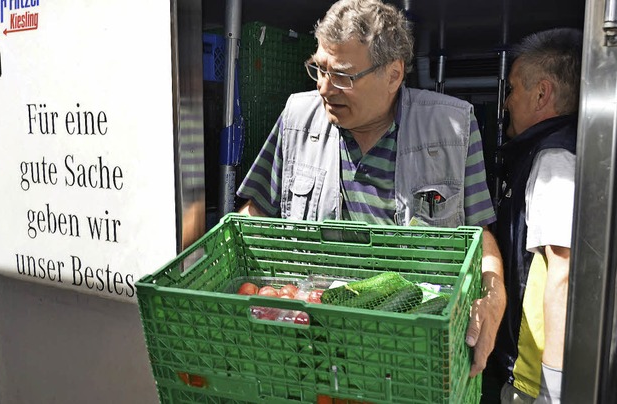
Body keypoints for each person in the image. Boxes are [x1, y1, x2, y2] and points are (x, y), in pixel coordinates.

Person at [235, 0, 506, 378]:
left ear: (393, 75)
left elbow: (479, 234)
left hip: (409, 348)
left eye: (343, 76)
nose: (325, 88)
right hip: (309, 345)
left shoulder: (453, 128)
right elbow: (255, 214)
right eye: (319, 69)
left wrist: (493, 299)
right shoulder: (297, 118)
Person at [483, 28, 583, 404]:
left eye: (512, 89)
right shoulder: (550, 150)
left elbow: (564, 270)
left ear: (542, 93)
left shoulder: (555, 159)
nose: (506, 102)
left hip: (536, 380)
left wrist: (554, 391)